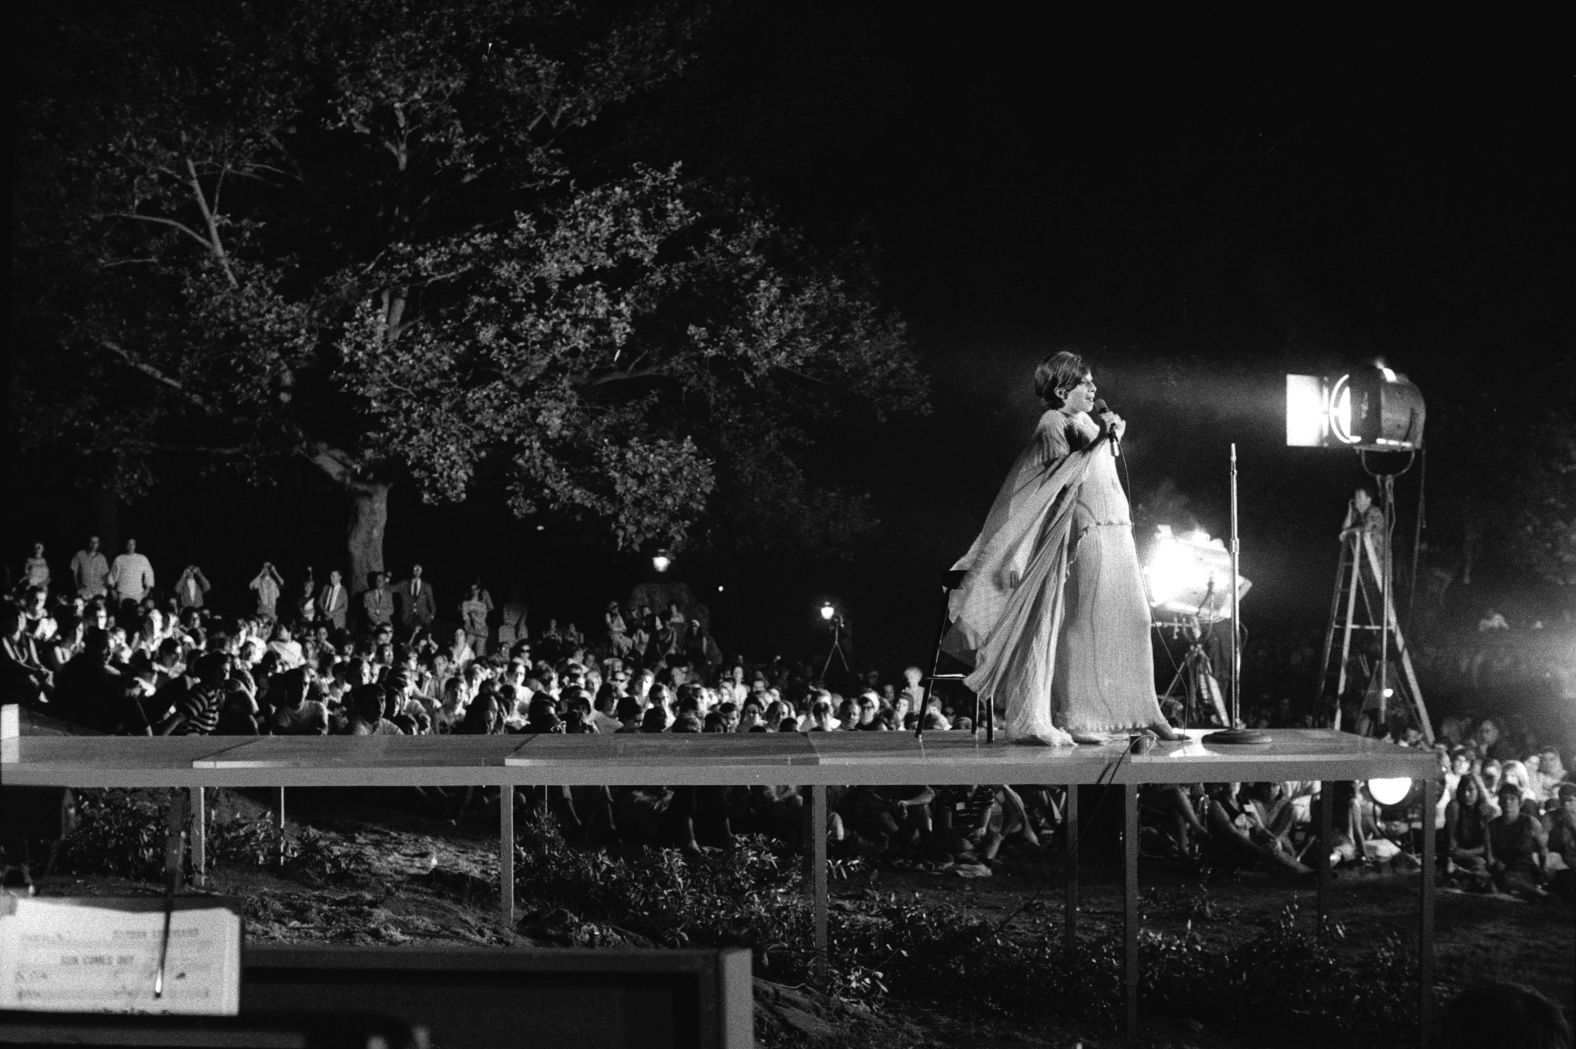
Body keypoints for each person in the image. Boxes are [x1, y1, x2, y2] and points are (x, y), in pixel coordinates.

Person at [942, 350, 1179, 745]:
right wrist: (1101, 439)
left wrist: (1106, 436)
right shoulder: (1052, 423)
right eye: (1085, 382)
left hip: (1115, 531)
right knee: (1082, 626)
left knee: (1132, 621)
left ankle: (1141, 710)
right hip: (1085, 534)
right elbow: (1053, 485)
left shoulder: (1084, 420)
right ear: (1062, 387)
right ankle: (1077, 715)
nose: (1094, 388)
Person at [107, 539, 155, 604]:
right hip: (123, 593)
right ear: (126, 545)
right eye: (129, 544)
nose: (131, 546)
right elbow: (112, 575)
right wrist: (112, 590)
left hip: (138, 593)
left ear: (135, 546)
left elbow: (149, 574)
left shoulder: (142, 558)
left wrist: (147, 589)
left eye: (133, 544)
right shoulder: (119, 559)